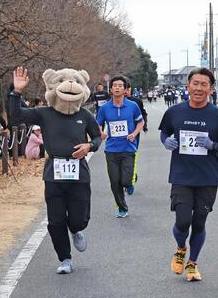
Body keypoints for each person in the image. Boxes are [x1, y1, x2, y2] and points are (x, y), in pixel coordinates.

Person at [9, 66, 102, 274]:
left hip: (79, 172)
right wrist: (16, 92)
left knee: (79, 217)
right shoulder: (44, 114)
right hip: (54, 173)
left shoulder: (85, 115)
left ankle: (76, 229)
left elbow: (97, 137)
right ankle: (65, 259)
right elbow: (15, 117)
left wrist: (89, 146)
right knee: (55, 220)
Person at [159, 67, 218, 282]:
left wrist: (213, 145)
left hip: (207, 177)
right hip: (181, 175)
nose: (199, 88)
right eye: (195, 83)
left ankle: (193, 263)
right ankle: (181, 248)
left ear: (211, 89)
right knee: (182, 221)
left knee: (199, 223)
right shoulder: (175, 111)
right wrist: (166, 141)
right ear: (188, 86)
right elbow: (164, 131)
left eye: (204, 85)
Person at [96, 75, 144, 218]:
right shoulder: (104, 108)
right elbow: (98, 123)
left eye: (120, 85)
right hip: (111, 149)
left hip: (128, 148)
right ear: (110, 89)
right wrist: (101, 133)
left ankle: (129, 183)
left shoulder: (132, 106)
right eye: (114, 85)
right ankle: (122, 208)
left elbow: (140, 122)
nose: (117, 87)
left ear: (125, 90)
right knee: (114, 181)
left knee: (125, 180)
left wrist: (134, 134)